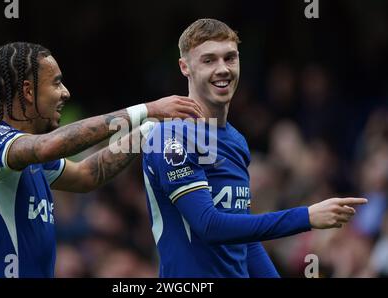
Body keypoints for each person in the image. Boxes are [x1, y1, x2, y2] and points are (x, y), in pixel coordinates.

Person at [141, 18, 367, 277]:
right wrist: (305, 217)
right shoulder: (169, 137)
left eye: (230, 58)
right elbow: (209, 225)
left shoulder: (236, 141)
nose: (223, 68)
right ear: (185, 67)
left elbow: (245, 242)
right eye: (209, 60)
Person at [0, 42, 203, 278]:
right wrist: (147, 110)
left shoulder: (25, 158)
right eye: (56, 83)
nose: (65, 92)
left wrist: (150, 129)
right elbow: (49, 146)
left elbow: (87, 174)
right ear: (28, 91)